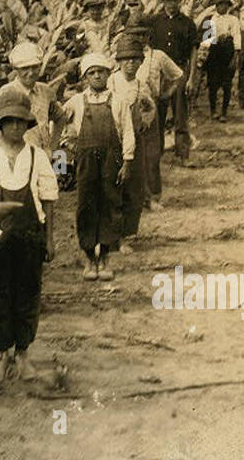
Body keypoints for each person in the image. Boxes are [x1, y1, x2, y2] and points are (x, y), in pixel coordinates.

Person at [0, 88, 58, 384]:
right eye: (10, 121)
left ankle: (23, 353)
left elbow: (49, 197)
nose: (16, 127)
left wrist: (50, 238)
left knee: (27, 293)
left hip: (30, 235)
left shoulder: (37, 155)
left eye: (21, 121)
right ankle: (1, 353)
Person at [62, 53, 135, 282]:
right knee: (86, 205)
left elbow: (128, 132)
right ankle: (88, 258)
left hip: (110, 160)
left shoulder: (118, 101)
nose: (96, 76)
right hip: (85, 161)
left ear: (107, 74)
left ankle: (104, 256)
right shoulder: (75, 102)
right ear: (84, 77)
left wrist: (127, 161)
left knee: (109, 203)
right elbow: (61, 129)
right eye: (91, 73)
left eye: (100, 72)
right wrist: (64, 157)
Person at [0, 41, 62, 154]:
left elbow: (60, 117)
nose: (31, 73)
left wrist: (52, 147)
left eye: (35, 67)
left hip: (41, 160)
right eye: (25, 68)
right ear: (16, 69)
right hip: (13, 161)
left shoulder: (45, 91)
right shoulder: (6, 93)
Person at [133, 25, 182, 208]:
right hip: (128, 108)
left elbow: (177, 75)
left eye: (143, 33)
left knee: (151, 153)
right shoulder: (122, 56)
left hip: (150, 108)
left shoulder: (157, 56)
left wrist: (166, 94)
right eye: (135, 34)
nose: (140, 37)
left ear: (149, 35)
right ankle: (136, 197)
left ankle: (153, 197)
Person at [147, 0, 198, 161]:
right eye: (167, 0)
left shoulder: (188, 23)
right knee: (157, 113)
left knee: (180, 114)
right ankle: (156, 153)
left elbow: (194, 50)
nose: (171, 4)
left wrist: (191, 78)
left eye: (175, 0)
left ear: (180, 1)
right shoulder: (154, 22)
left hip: (179, 73)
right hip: (159, 74)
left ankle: (183, 154)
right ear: (162, 2)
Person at [111, 34, 153, 240]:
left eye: (135, 59)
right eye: (125, 59)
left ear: (140, 62)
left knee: (135, 185)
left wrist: (146, 119)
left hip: (135, 140)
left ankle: (128, 232)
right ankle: (113, 233)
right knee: (113, 187)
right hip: (112, 142)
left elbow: (150, 108)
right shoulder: (110, 83)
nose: (130, 63)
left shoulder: (140, 85)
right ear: (118, 62)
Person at [198, 0, 240, 121]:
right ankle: (213, 111)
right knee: (213, 83)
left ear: (228, 6)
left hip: (227, 52)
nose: (223, 7)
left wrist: (235, 56)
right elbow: (206, 41)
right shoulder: (210, 19)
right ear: (216, 6)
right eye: (220, 4)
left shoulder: (233, 19)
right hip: (214, 54)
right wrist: (203, 59)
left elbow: (237, 37)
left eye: (226, 4)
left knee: (227, 84)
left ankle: (224, 112)